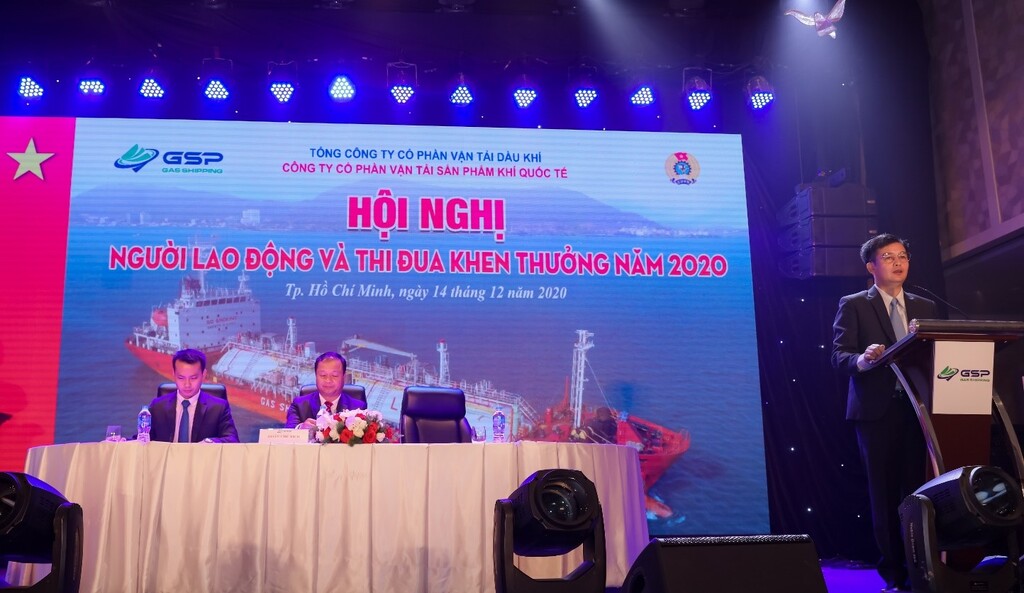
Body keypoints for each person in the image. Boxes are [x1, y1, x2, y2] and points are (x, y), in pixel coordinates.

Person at [832, 233, 938, 593]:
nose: (898, 262)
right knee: (884, 494)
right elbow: (839, 356)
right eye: (888, 257)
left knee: (920, 491)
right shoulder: (854, 305)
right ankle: (895, 575)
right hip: (876, 413)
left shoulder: (925, 306)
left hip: (919, 410)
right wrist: (863, 359)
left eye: (903, 256)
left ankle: (924, 570)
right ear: (871, 266)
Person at [149, 348, 239, 443]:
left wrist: (210, 443)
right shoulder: (157, 406)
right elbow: (142, 439)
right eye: (181, 378)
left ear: (203, 375)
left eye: (193, 378)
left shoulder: (219, 408)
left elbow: (233, 440)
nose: (187, 384)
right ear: (174, 375)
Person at [286, 351, 364, 429]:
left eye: (334, 375)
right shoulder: (299, 405)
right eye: (323, 375)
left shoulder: (358, 408)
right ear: (316, 376)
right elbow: (288, 433)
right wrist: (300, 429)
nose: (328, 380)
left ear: (344, 377)